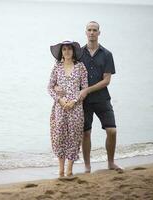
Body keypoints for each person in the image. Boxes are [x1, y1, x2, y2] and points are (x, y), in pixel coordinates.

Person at [55, 21, 122, 173]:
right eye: (89, 30)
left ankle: (111, 162)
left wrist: (87, 90)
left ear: (99, 33)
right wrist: (58, 87)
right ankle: (87, 166)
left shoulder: (107, 54)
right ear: (85, 32)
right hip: (83, 102)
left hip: (102, 99)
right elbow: (67, 72)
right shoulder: (79, 54)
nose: (92, 32)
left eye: (95, 30)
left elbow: (107, 80)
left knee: (112, 131)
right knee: (86, 133)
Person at [48, 40, 88, 178]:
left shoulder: (80, 67)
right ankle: (60, 171)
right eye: (64, 49)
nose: (67, 52)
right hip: (59, 108)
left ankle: (69, 170)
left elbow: (85, 89)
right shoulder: (57, 67)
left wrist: (74, 101)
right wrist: (60, 99)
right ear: (61, 52)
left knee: (74, 137)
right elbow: (49, 87)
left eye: (69, 49)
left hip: (76, 109)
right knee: (59, 137)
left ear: (73, 51)